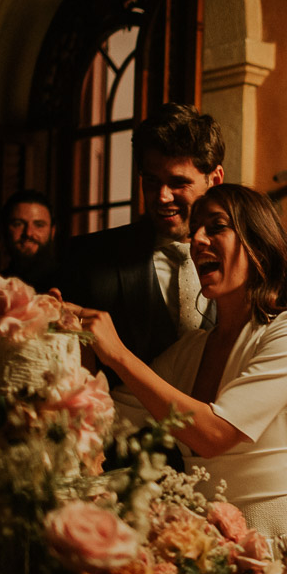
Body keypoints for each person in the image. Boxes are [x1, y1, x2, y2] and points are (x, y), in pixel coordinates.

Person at [71, 184, 287, 574]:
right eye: (195, 231)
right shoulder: (189, 351)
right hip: (208, 556)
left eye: (216, 227)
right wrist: (73, 340)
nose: (197, 240)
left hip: (286, 547)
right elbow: (107, 420)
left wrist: (117, 354)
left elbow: (214, 434)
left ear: (257, 242)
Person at [58, 103, 225, 373]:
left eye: (179, 183)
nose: (162, 196)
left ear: (215, 179)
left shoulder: (250, 262)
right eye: (151, 180)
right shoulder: (87, 260)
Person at [0, 190, 58, 292]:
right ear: (4, 229)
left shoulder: (71, 282)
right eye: (18, 224)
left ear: (52, 232)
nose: (28, 233)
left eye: (39, 225)